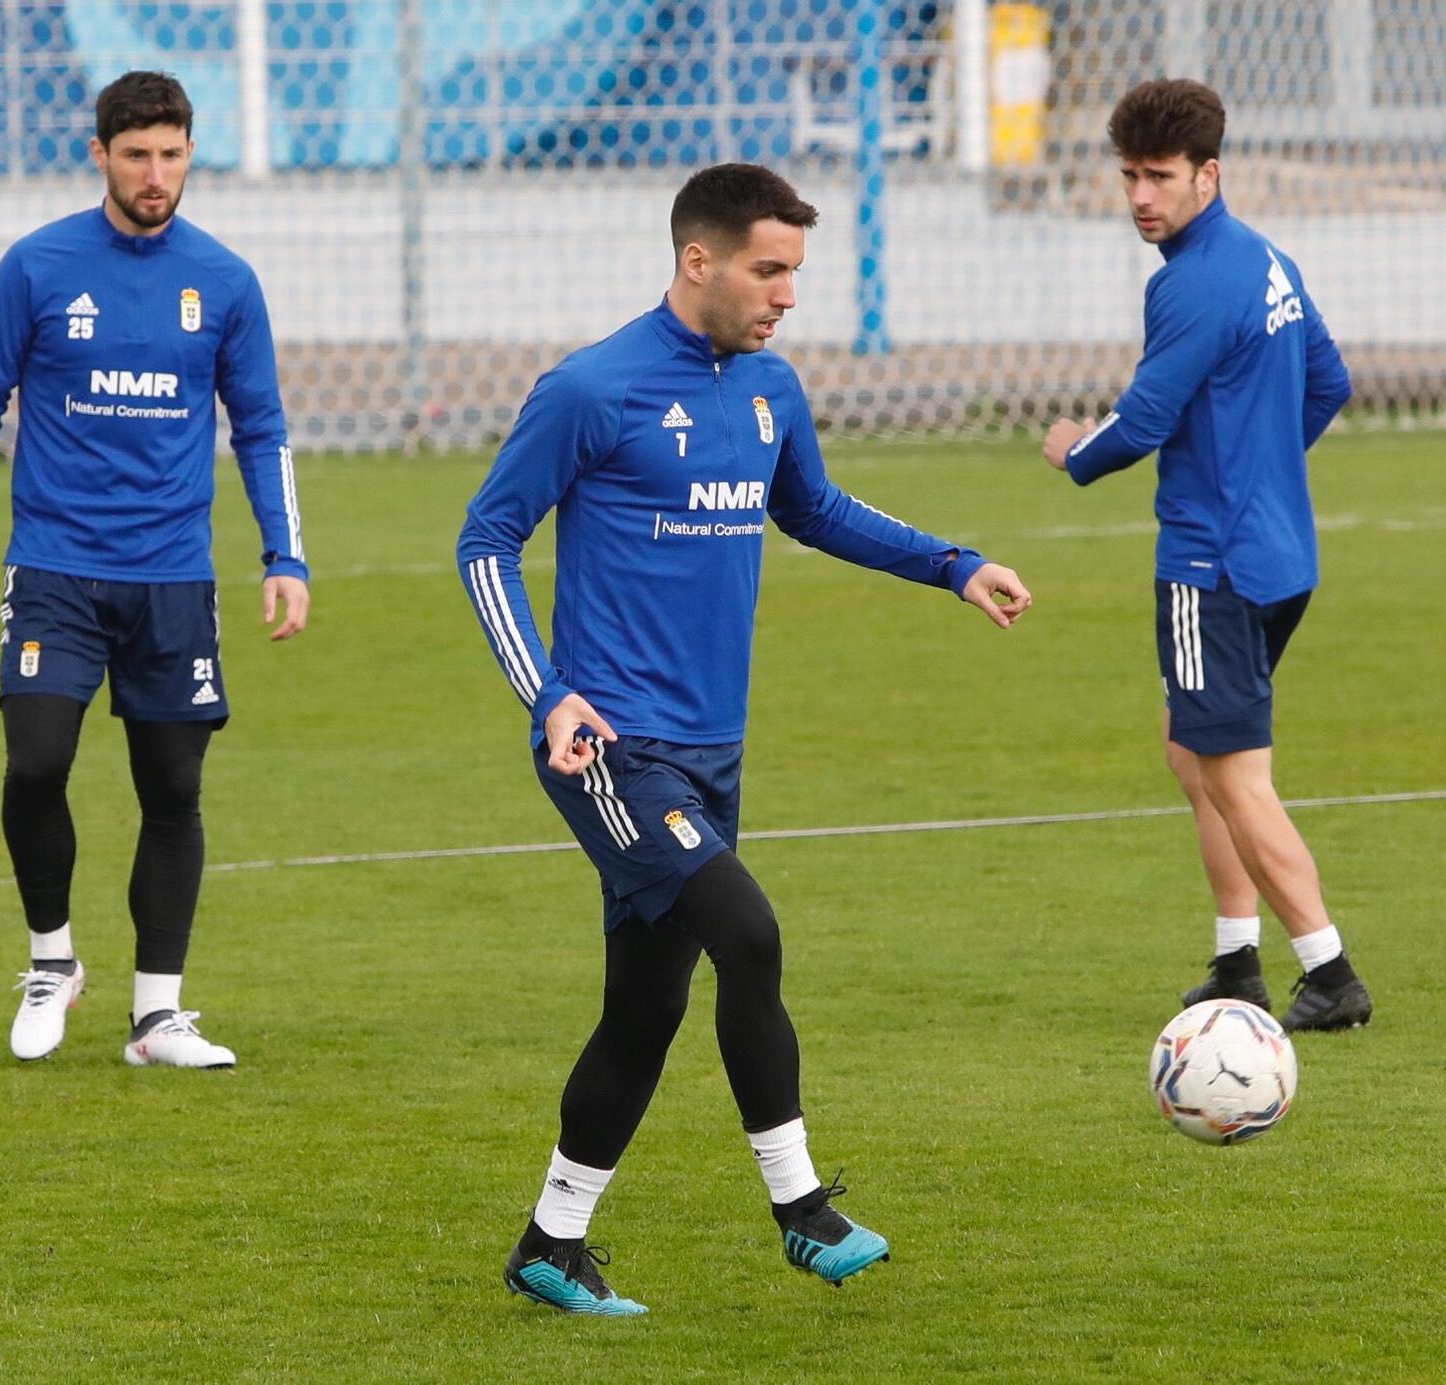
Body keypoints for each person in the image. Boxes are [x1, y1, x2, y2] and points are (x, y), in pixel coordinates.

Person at [458, 163, 1033, 1316]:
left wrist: (953, 564)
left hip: (712, 749)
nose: (784, 294)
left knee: (644, 1007)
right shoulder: (589, 388)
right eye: (768, 270)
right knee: (748, 929)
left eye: (793, 273)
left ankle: (549, 1240)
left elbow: (813, 509)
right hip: (610, 746)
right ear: (697, 261)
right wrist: (550, 695)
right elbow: (486, 539)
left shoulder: (768, 389)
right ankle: (800, 1205)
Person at [0, 70, 309, 1068]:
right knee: (36, 762)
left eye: (172, 155)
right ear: (99, 153)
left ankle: (157, 1017)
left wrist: (285, 552)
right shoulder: (39, 266)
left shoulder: (223, 281)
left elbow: (260, 424)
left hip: (173, 577)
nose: (156, 174)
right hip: (55, 565)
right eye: (137, 155)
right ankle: (52, 958)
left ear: (191, 153)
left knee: (172, 788)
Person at [1040, 78, 1371, 1034]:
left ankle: (1330, 970)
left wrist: (1074, 450)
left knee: (1231, 773)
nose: (1141, 196)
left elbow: (1141, 419)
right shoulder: (1266, 260)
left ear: (1208, 174)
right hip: (1279, 558)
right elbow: (1330, 382)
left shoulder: (1186, 283)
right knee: (1192, 752)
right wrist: (1262, 471)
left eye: (1160, 177)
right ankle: (1237, 958)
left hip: (1210, 568)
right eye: (1130, 176)